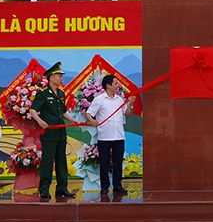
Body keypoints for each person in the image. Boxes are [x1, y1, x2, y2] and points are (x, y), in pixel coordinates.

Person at [29, 61, 83, 201]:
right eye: (59, 76)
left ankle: (62, 189)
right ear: (51, 77)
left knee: (61, 162)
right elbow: (33, 109)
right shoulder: (43, 93)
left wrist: (73, 120)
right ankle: (44, 190)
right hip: (49, 134)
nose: (61, 78)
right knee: (47, 163)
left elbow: (63, 112)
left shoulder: (60, 94)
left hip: (60, 133)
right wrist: (40, 122)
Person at [84, 75, 135, 195]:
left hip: (119, 136)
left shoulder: (119, 99)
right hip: (105, 136)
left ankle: (117, 185)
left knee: (118, 162)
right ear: (108, 85)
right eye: (115, 83)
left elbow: (126, 114)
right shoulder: (99, 99)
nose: (118, 85)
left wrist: (130, 104)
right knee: (104, 163)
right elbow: (88, 113)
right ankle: (104, 187)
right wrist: (92, 121)